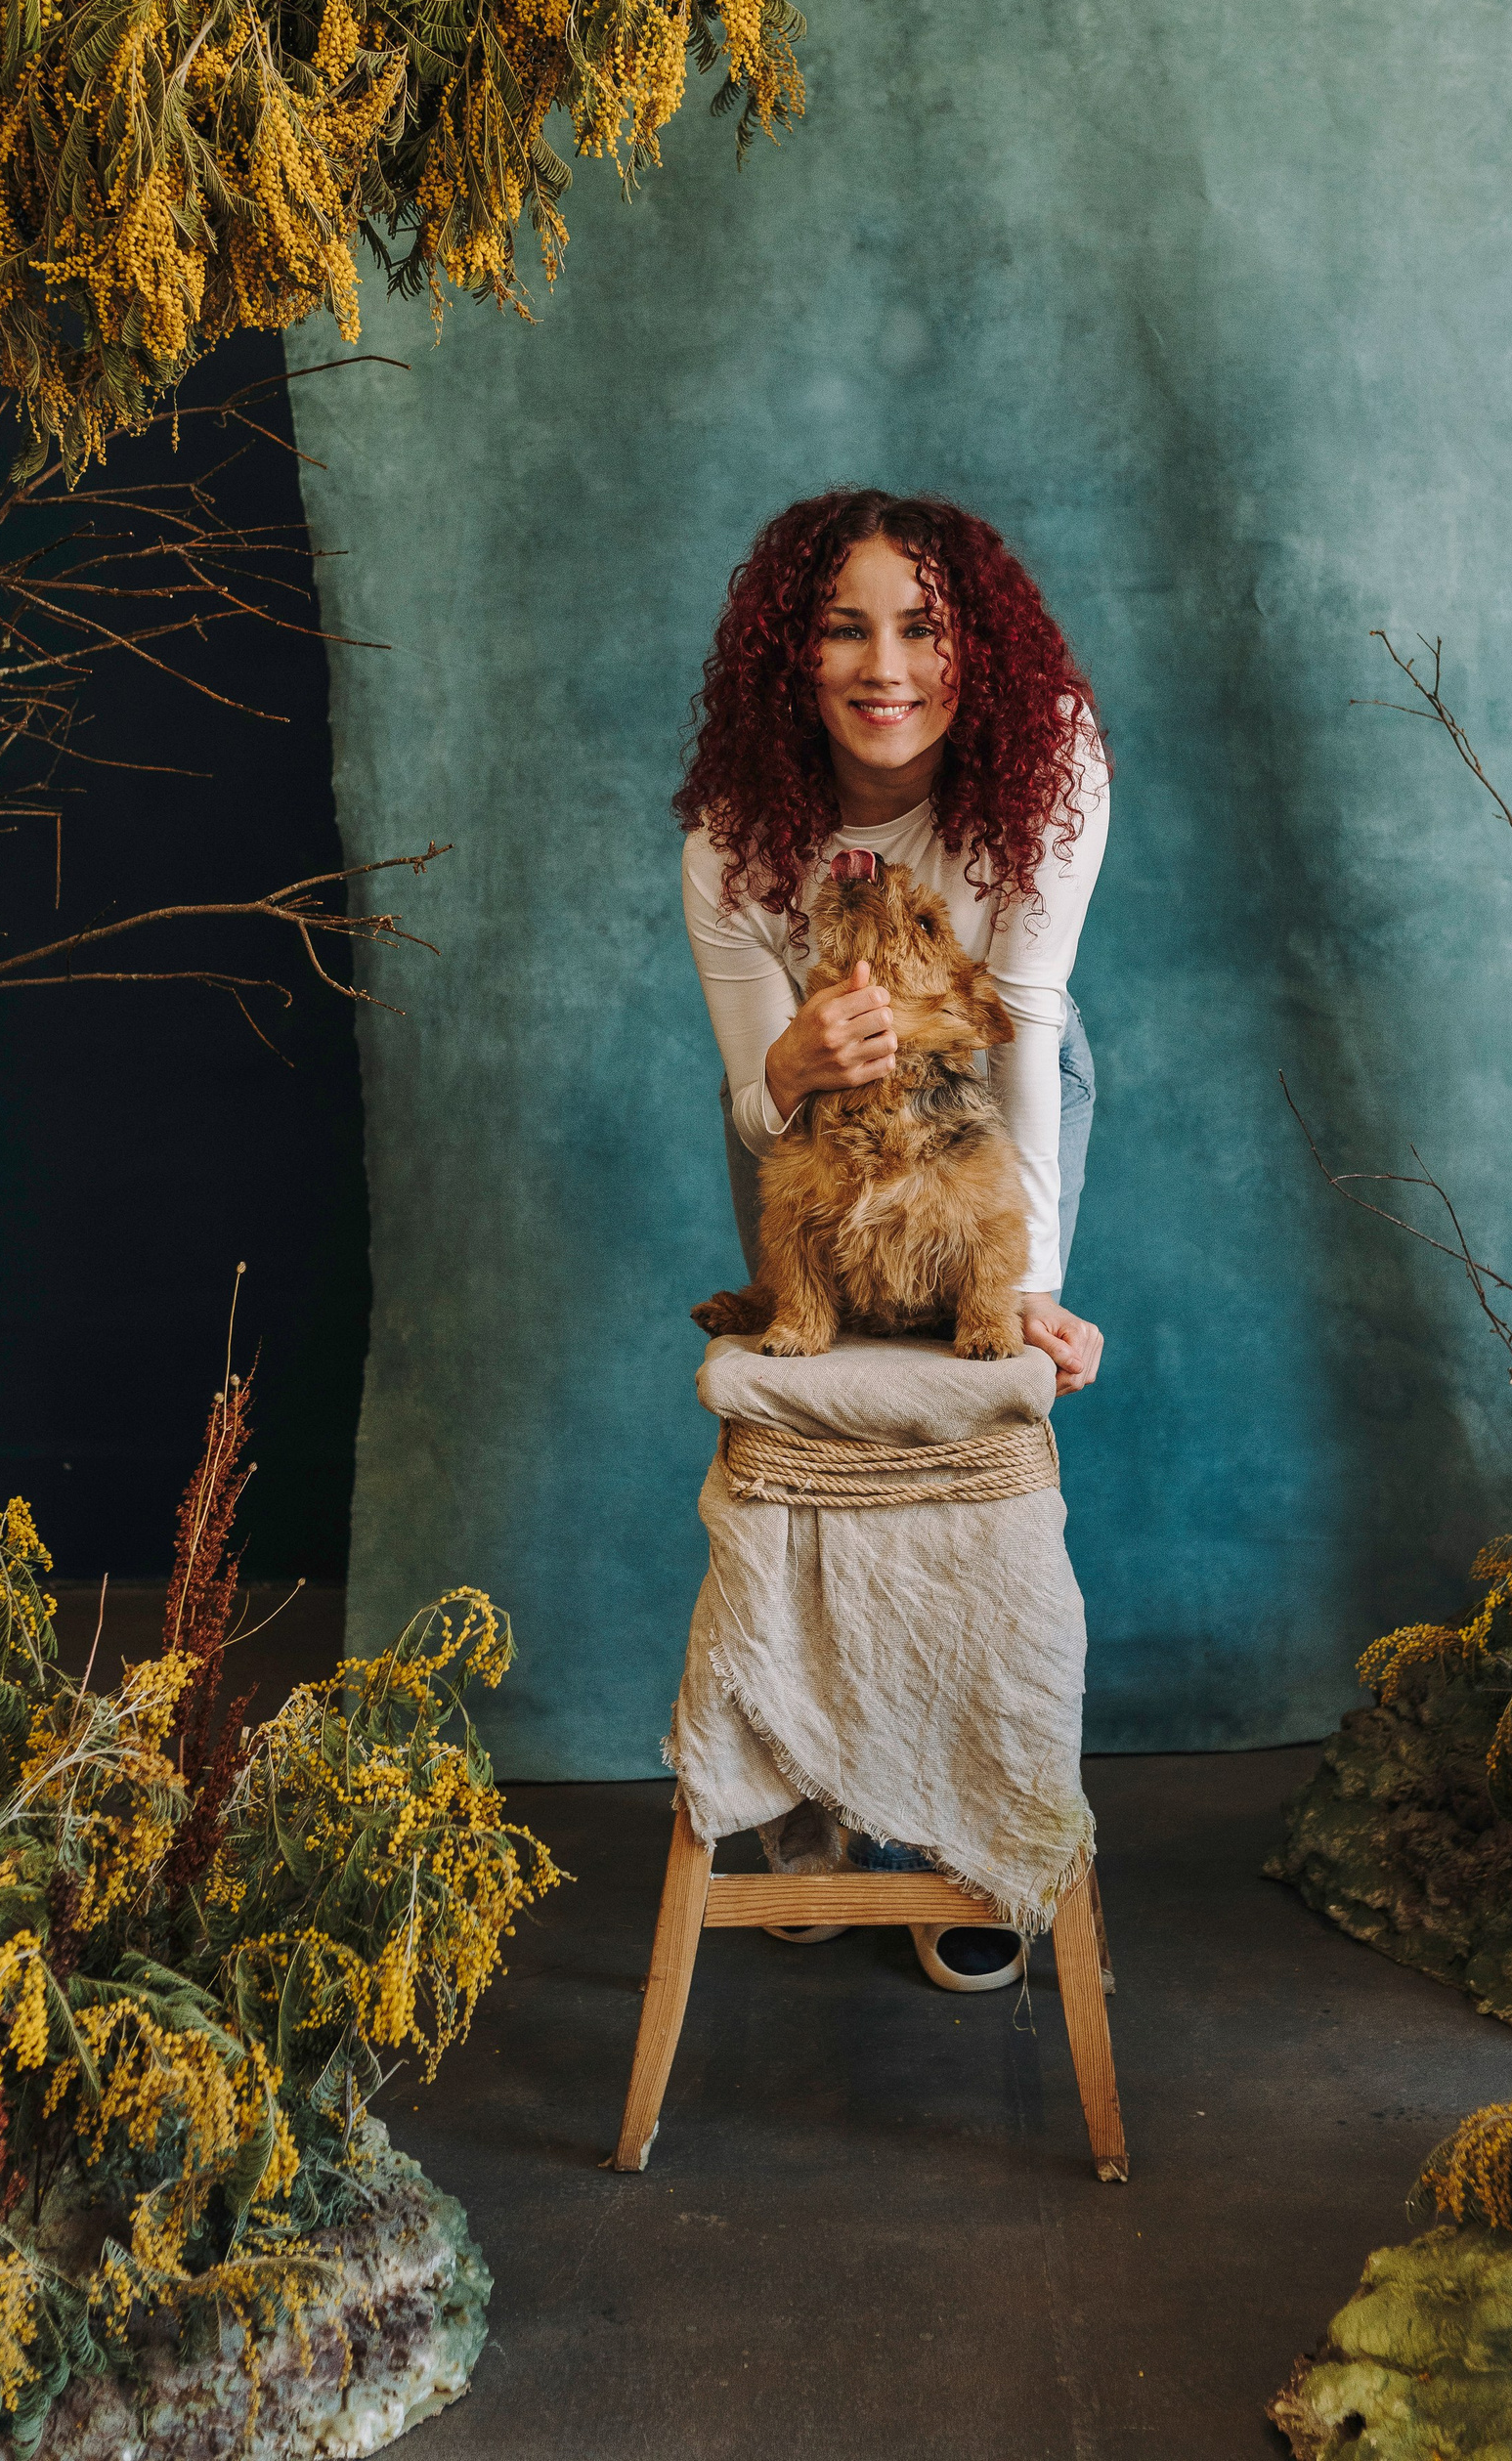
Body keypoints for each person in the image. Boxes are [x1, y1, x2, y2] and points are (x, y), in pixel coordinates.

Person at [675, 488, 1110, 1990]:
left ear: (975, 646)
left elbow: (1027, 1021)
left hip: (995, 1104)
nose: (887, 667)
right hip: (814, 1124)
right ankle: (805, 1812)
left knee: (973, 1444)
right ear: (789, 656)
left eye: (922, 628)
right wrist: (794, 1066)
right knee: (809, 1438)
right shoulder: (735, 834)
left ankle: (979, 1838)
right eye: (844, 629)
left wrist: (1028, 1286)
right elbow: (755, 1098)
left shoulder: (1051, 764)